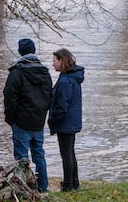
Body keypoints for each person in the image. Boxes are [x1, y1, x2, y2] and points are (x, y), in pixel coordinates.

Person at [3, 38, 53, 192]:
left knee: (21, 158)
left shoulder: (16, 72)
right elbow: (49, 97)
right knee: (39, 154)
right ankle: (43, 187)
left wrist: (10, 119)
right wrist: (42, 114)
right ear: (34, 51)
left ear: (20, 52)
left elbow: (9, 98)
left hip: (21, 122)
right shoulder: (45, 73)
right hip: (38, 121)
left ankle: (24, 188)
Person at [48, 48, 85, 192]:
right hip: (72, 121)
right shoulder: (73, 78)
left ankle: (69, 185)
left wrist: (53, 121)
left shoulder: (65, 81)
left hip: (65, 123)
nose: (53, 64)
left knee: (66, 154)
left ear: (62, 61)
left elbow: (61, 105)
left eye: (54, 61)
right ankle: (74, 182)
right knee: (70, 153)